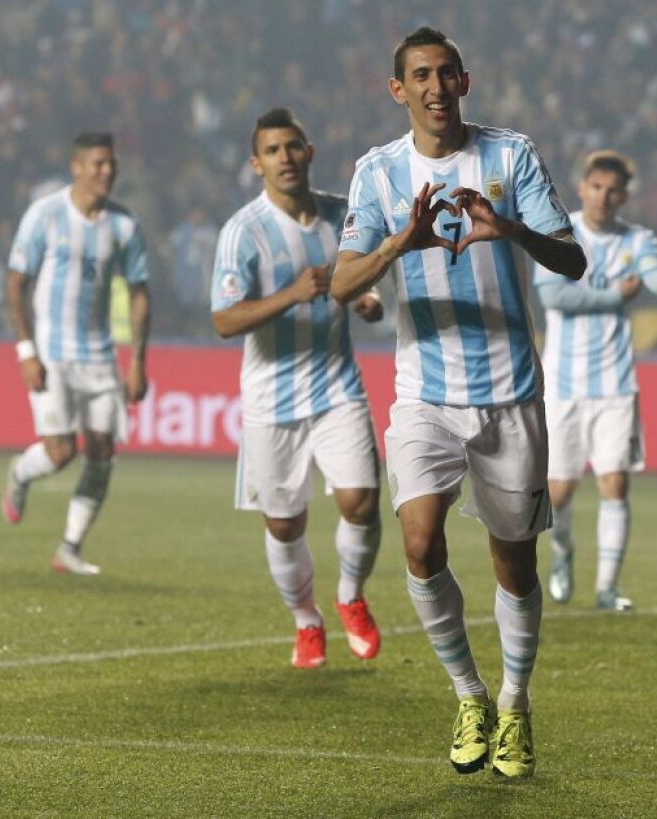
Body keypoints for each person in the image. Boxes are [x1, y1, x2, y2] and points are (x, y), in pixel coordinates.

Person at [330, 27, 586, 778]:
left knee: (513, 561)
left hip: (509, 392)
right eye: (420, 75)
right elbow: (343, 285)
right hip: (426, 394)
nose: (435, 87)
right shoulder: (377, 173)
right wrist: (397, 246)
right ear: (397, 89)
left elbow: (571, 257)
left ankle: (514, 702)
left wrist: (507, 228)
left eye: (446, 74)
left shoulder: (511, 155)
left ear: (464, 83)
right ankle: (468, 694)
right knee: (418, 541)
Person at [211, 108, 385, 669]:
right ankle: (307, 621)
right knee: (285, 523)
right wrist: (289, 295)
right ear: (256, 164)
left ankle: (350, 597)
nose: (284, 158)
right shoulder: (244, 231)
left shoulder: (342, 215)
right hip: (271, 397)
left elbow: (363, 282)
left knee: (361, 501)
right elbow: (224, 320)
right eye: (272, 151)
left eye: (292, 147)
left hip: (336, 385)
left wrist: (365, 300)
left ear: (308, 152)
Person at [536, 150, 657, 612]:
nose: (604, 197)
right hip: (563, 383)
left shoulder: (637, 239)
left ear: (623, 196)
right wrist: (613, 295)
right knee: (560, 490)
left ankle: (607, 588)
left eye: (613, 190)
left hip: (614, 382)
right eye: (596, 187)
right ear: (582, 187)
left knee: (614, 484)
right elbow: (554, 296)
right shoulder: (558, 233)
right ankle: (562, 555)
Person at [1, 132, 150, 576]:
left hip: (100, 357)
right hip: (52, 352)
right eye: (99, 164)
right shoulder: (45, 215)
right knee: (61, 451)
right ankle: (22, 473)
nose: (108, 172)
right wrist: (27, 350)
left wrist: (138, 360)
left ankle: (69, 547)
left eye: (111, 165)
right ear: (77, 167)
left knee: (102, 450)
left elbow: (140, 292)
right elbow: (15, 284)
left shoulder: (124, 226)